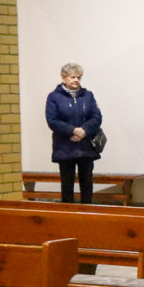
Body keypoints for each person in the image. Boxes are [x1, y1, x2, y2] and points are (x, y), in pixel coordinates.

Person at [45, 62, 102, 203]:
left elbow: (96, 117)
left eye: (79, 77)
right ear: (64, 78)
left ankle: (88, 212)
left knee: (87, 183)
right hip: (65, 147)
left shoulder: (88, 96)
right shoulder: (54, 97)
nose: (76, 80)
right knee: (67, 184)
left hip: (86, 147)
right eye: (72, 77)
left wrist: (84, 130)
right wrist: (72, 130)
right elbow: (52, 120)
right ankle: (68, 213)